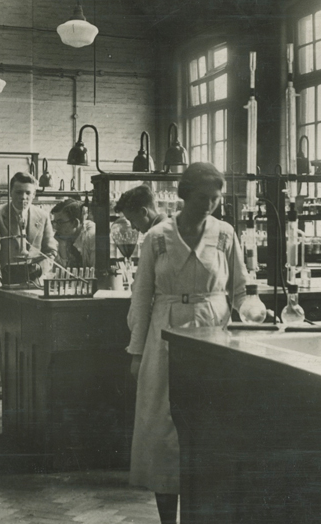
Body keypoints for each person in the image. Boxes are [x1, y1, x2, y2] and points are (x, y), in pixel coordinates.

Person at [126, 162, 251, 524]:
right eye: (203, 197)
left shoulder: (225, 234)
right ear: (183, 195)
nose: (210, 205)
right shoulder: (157, 237)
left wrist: (252, 310)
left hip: (215, 335)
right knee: (165, 428)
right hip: (165, 337)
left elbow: (240, 289)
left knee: (211, 426)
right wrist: (136, 352)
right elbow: (142, 296)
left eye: (216, 198)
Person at [0, 172, 57, 398]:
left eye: (28, 193)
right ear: (10, 193)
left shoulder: (42, 215)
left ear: (34, 194)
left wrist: (40, 268)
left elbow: (50, 251)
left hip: (32, 282)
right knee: (1, 335)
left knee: (28, 336)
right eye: (19, 193)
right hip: (3, 282)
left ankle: (25, 387)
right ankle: (7, 385)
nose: (24, 198)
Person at [50, 198, 96, 269]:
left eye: (60, 222)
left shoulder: (93, 236)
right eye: (54, 222)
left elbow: (96, 274)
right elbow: (59, 273)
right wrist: (62, 246)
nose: (56, 227)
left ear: (75, 223)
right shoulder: (64, 237)